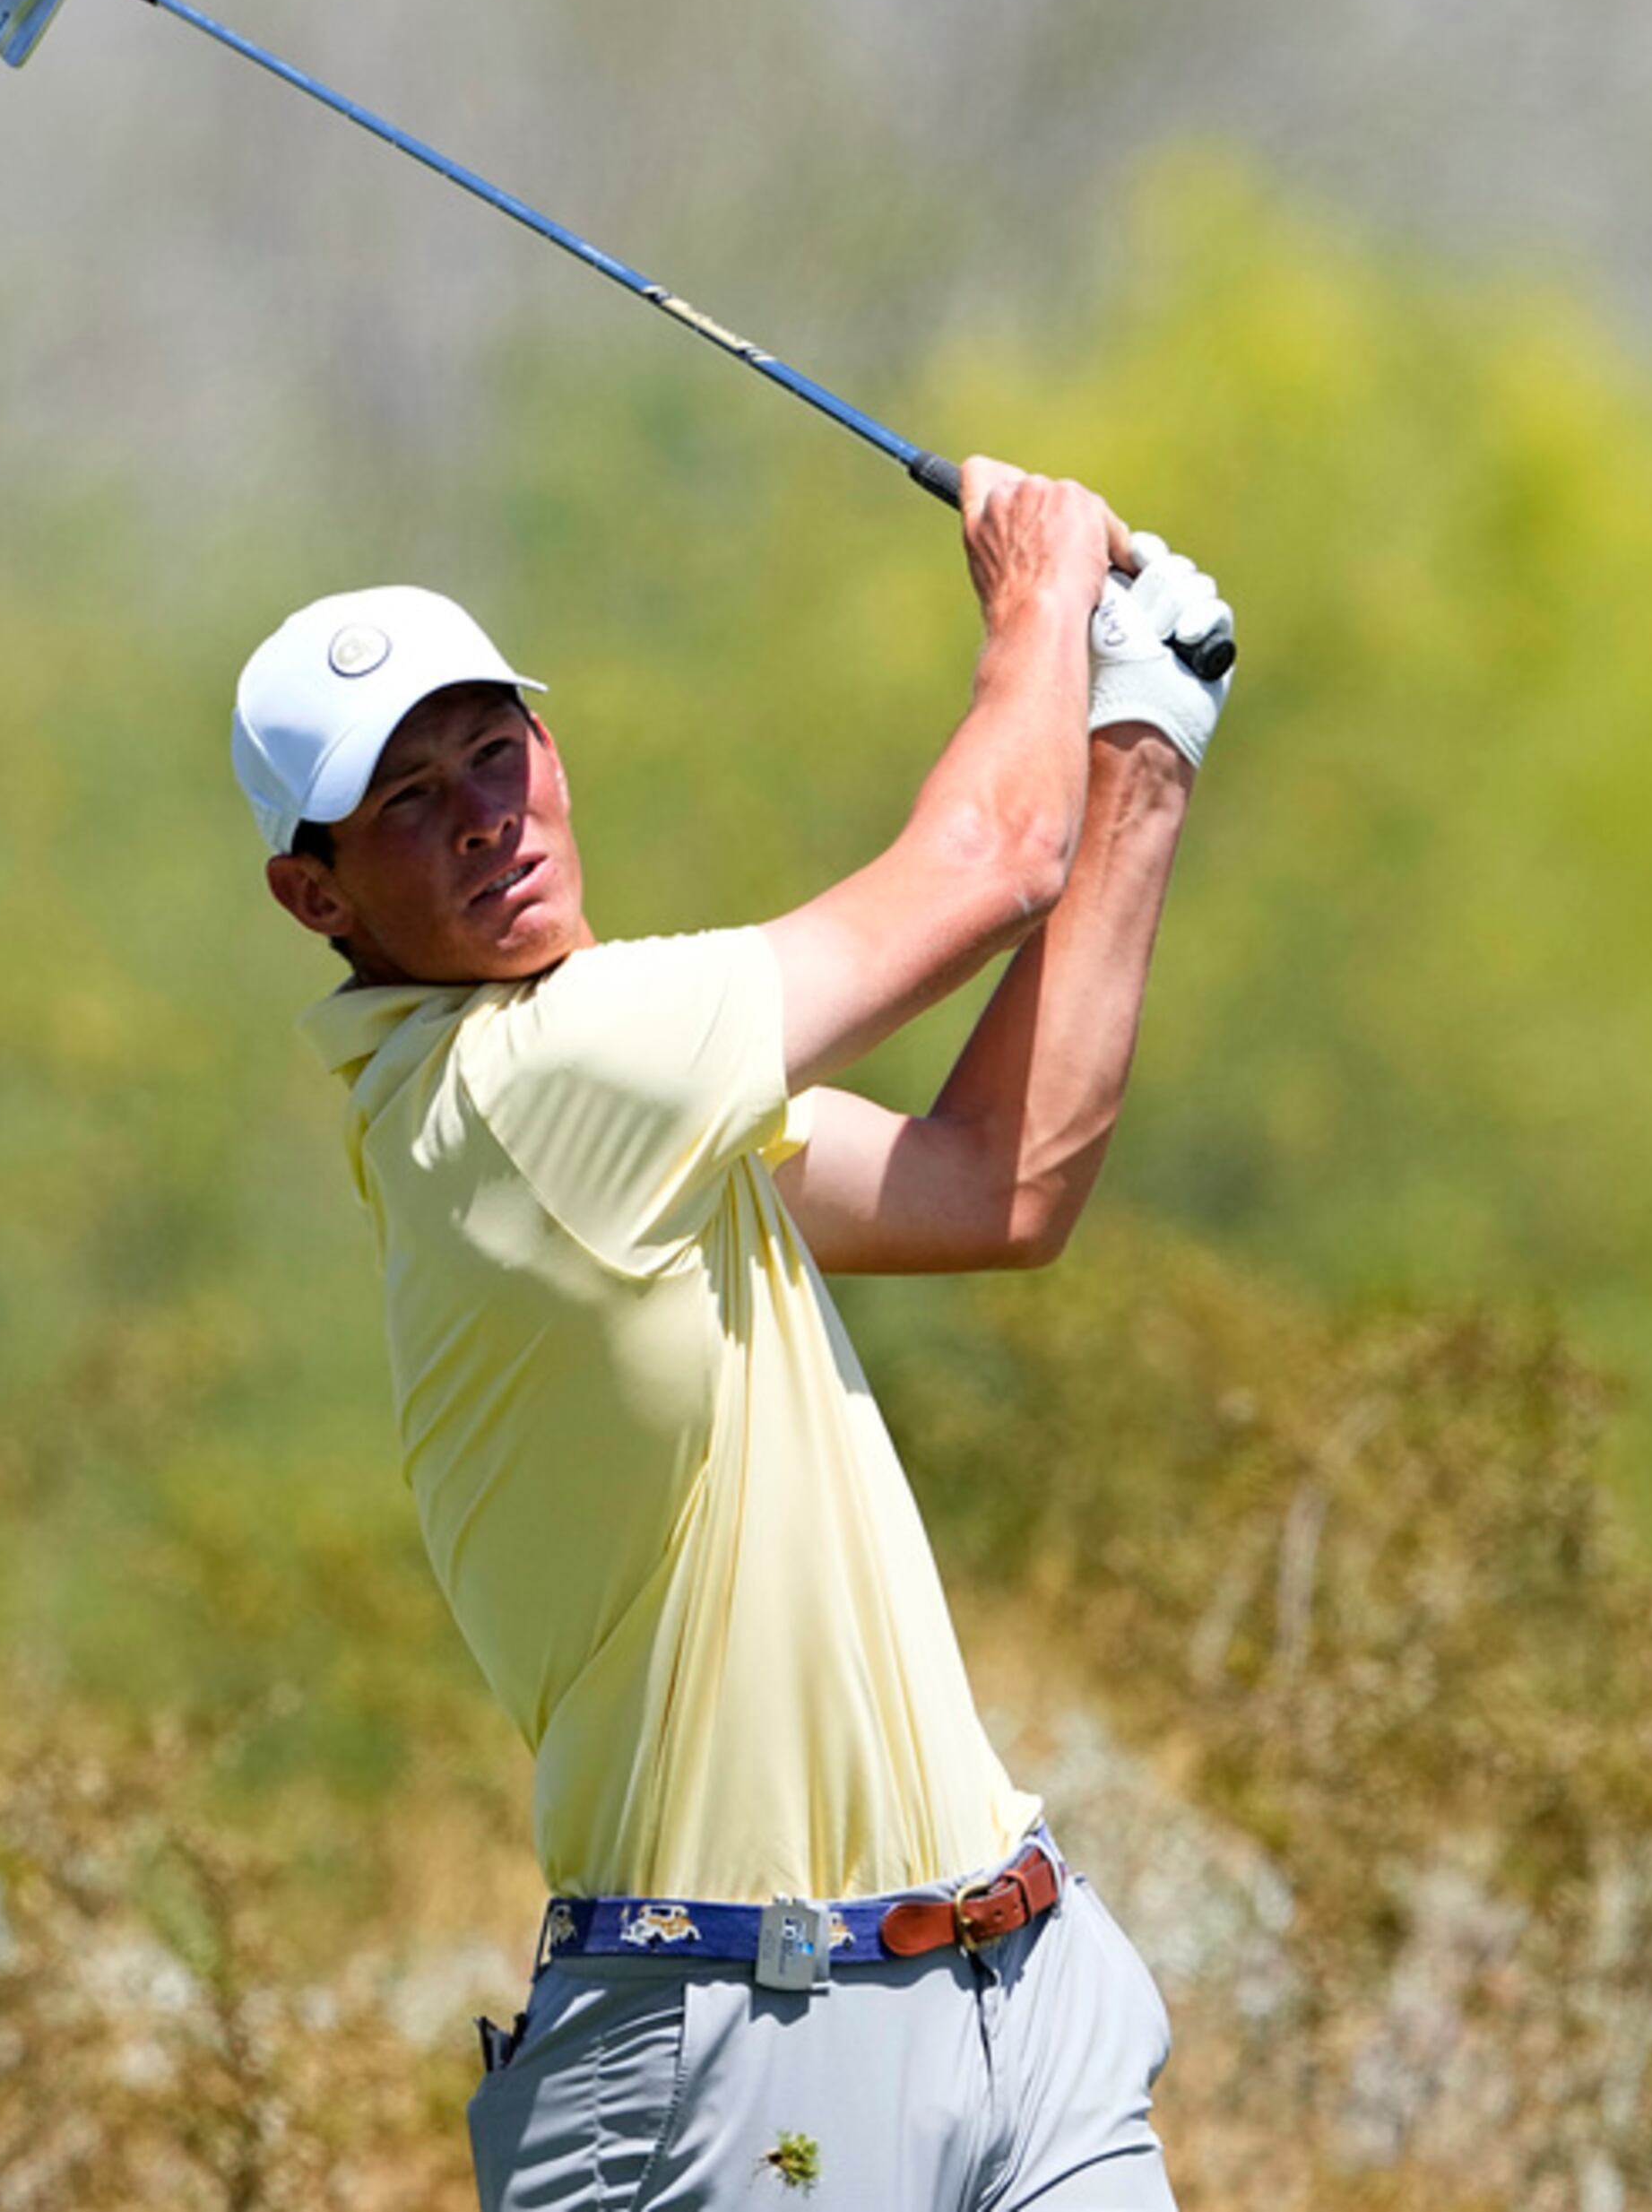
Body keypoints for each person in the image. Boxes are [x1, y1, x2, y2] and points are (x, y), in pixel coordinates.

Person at [235, 459, 1232, 2210]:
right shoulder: (540, 1084)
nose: (483, 812)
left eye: (496, 747)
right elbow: (991, 860)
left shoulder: (628, 1102)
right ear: (315, 899)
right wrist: (1041, 589)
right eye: (404, 799)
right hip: (740, 2068)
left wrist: (1138, 743)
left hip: (1024, 1991)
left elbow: (991, 1190)